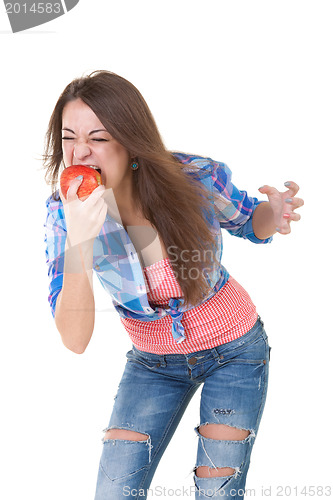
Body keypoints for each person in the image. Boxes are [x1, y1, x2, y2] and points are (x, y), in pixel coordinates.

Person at [43, 70, 303, 499]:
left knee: (216, 491)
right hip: (154, 363)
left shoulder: (190, 175)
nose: (80, 152)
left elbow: (247, 221)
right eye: (69, 138)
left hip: (235, 351)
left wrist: (273, 214)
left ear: (130, 141)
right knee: (113, 493)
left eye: (99, 138)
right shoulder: (63, 215)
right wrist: (78, 242)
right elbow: (75, 340)